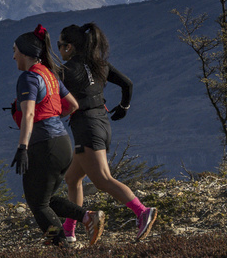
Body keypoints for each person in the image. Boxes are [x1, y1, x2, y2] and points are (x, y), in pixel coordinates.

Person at [59, 23, 158, 242]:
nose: (59, 50)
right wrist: (124, 107)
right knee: (72, 178)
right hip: (102, 123)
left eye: (59, 45)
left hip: (85, 126)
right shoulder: (99, 64)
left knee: (103, 180)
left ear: (69, 47)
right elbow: (127, 84)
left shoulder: (66, 70)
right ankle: (68, 231)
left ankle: (142, 211)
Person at [10, 25, 105, 247]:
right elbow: (72, 105)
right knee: (45, 199)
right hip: (62, 144)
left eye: (15, 50)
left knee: (38, 204)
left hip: (44, 146)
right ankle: (87, 217)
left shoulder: (29, 78)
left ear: (25, 52)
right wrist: (52, 116)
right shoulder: (49, 75)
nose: (13, 56)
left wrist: (22, 147)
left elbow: (29, 113)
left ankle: (63, 246)